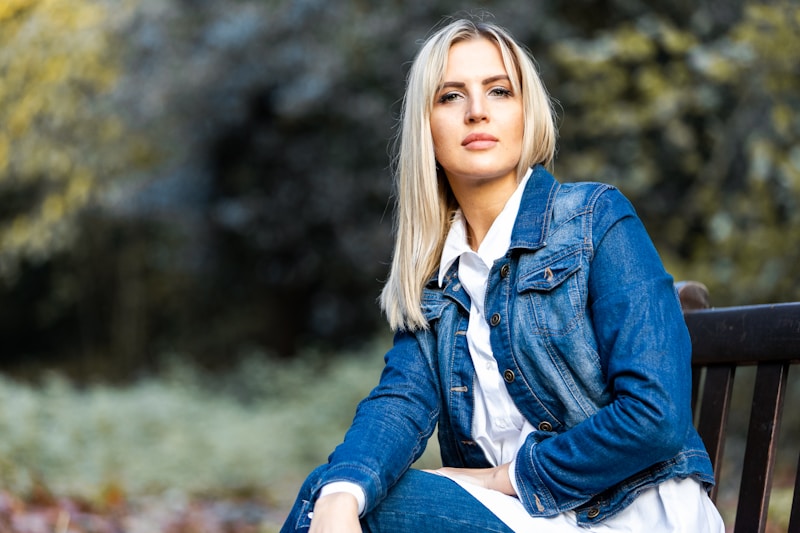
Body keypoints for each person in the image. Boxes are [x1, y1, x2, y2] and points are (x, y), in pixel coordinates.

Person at [281, 17, 724, 533]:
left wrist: (502, 479)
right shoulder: (438, 282)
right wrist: (341, 495)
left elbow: (656, 417)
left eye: (499, 91)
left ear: (525, 112)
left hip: (629, 515)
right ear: (426, 125)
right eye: (450, 96)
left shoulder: (596, 220)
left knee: (361, 503)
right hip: (521, 519)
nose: (476, 112)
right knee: (335, 491)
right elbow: (398, 404)